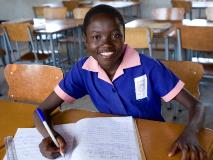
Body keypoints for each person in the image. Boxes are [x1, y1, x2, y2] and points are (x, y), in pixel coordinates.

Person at [33, 4, 207, 160]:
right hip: (111, 141)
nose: (106, 44)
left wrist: (191, 132)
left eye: (115, 35)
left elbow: (197, 106)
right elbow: (41, 110)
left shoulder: (148, 67)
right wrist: (48, 135)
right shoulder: (83, 70)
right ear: (85, 41)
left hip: (151, 138)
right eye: (96, 37)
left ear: (124, 37)